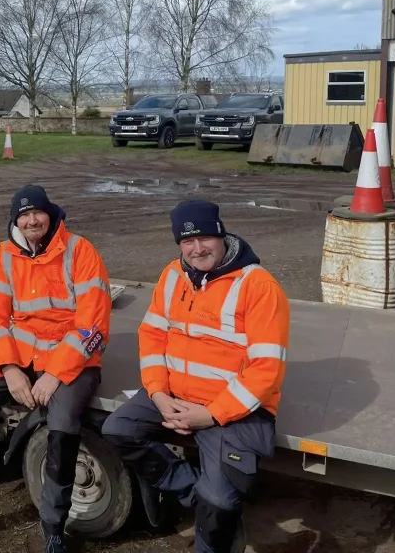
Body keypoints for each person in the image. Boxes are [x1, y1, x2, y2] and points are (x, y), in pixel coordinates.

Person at [101, 200, 290, 553]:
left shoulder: (258, 286)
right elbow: (153, 335)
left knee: (220, 499)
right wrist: (158, 394)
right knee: (117, 429)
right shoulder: (173, 275)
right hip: (174, 395)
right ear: (179, 245)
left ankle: (210, 515)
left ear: (221, 235)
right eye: (187, 241)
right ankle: (194, 493)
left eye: (205, 237)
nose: (197, 248)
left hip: (231, 409)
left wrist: (212, 414)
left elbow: (267, 369)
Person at [0, 185, 113, 553]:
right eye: (24, 215)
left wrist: (54, 374)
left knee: (62, 427)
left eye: (38, 213)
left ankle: (53, 524)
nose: (32, 220)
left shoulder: (80, 251)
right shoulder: (5, 255)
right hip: (20, 360)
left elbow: (94, 324)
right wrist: (9, 368)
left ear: (51, 214)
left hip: (71, 363)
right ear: (15, 220)